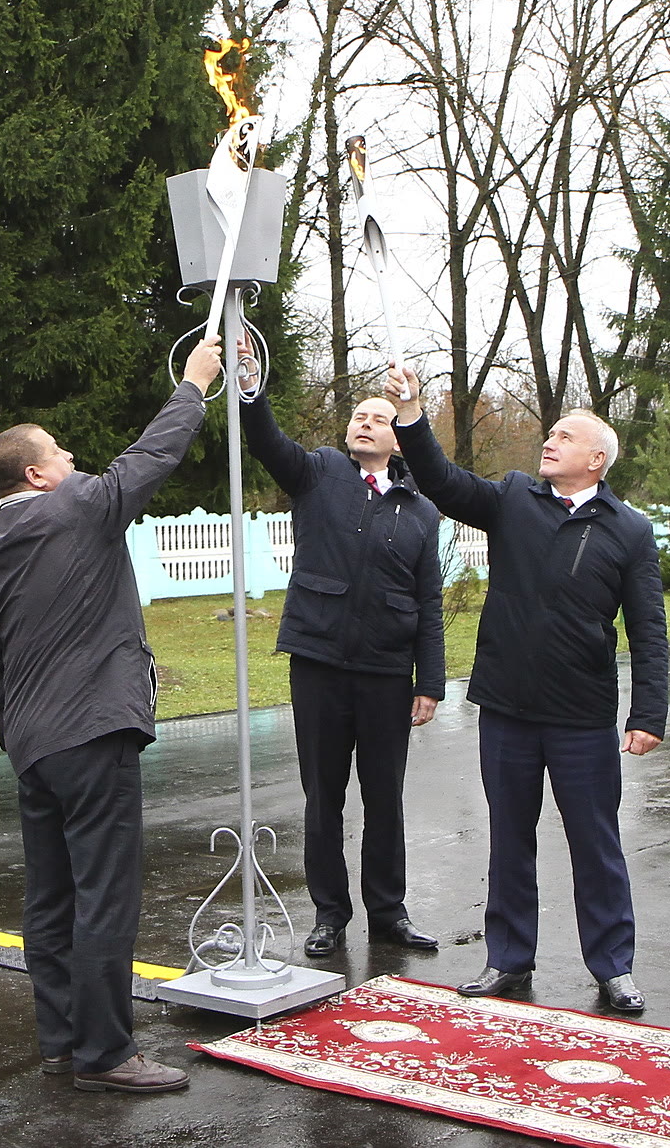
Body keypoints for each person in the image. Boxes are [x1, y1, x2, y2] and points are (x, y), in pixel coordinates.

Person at [0, 336, 221, 1094]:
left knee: (50, 896)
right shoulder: (72, 505)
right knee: (105, 893)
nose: (76, 461)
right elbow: (149, 459)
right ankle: (106, 1052)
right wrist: (194, 384)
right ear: (37, 473)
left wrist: (21, 737)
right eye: (64, 454)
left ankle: (61, 1040)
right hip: (94, 732)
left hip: (36, 747)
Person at [387, 366, 667, 1013]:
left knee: (595, 841)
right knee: (509, 835)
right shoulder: (515, 495)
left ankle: (613, 965)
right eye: (551, 433)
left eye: (565, 437)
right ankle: (508, 957)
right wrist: (411, 413)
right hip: (509, 705)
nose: (550, 441)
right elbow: (444, 482)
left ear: (596, 460)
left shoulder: (629, 529)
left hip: (582, 715)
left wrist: (648, 710)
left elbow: (648, 628)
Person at [238, 354, 445, 958]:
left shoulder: (421, 509)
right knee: (323, 795)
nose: (364, 423)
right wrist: (252, 391)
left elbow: (428, 600)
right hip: (320, 662)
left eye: (379, 418)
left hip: (386, 670)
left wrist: (427, 681)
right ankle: (330, 912)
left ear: (398, 438)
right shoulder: (320, 472)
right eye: (357, 416)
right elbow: (269, 443)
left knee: (385, 795)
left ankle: (389, 911)